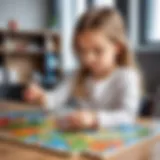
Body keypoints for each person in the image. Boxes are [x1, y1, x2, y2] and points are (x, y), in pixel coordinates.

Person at [24, 7, 141, 131]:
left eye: (97, 51)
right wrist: (41, 96)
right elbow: (55, 98)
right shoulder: (77, 75)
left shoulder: (127, 77)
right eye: (82, 51)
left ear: (117, 48)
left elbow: (128, 116)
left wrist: (94, 118)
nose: (88, 58)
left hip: (117, 143)